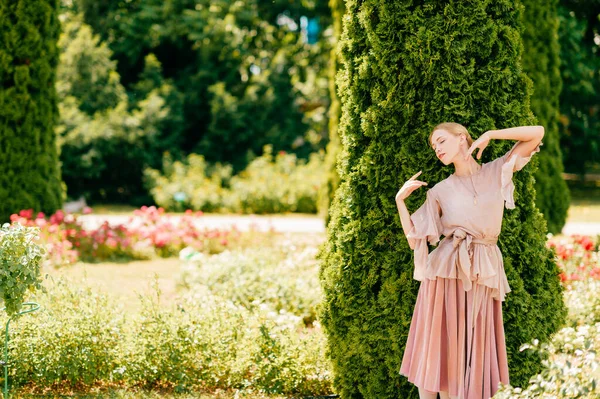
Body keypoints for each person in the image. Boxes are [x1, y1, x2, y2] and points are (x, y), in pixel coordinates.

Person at [395, 123, 544, 399]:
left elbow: (538, 133)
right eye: (433, 146)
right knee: (441, 350)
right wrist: (400, 202)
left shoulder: (497, 170)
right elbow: (416, 240)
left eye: (441, 140)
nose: (437, 148)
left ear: (462, 138)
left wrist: (491, 135)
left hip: (483, 272)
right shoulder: (439, 190)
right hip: (444, 277)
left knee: (476, 349)